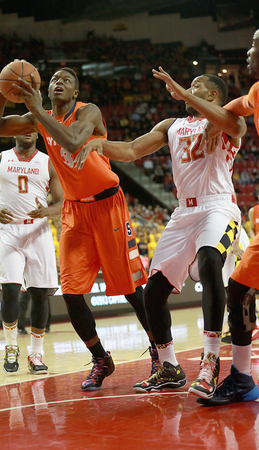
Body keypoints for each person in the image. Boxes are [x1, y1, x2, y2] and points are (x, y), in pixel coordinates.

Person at [0, 64, 157, 391]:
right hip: (75, 212)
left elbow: (75, 142)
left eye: (67, 81)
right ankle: (101, 358)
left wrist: (35, 111)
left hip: (108, 207)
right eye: (54, 80)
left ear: (75, 93)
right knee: (72, 294)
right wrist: (3, 95)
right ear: (46, 91)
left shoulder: (88, 111)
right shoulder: (39, 117)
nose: (59, 82)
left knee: (132, 290)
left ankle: (160, 352)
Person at [75, 66, 247, 399]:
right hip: (184, 211)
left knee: (211, 262)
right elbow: (131, 150)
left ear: (212, 95)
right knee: (153, 292)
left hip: (218, 207)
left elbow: (236, 122)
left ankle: (210, 362)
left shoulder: (226, 122)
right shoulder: (172, 126)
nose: (186, 90)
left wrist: (183, 91)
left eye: (195, 86)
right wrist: (96, 144)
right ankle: (168, 366)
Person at [195, 28, 259, 406]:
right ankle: (242, 379)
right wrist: (213, 120)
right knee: (238, 288)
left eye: (254, 45)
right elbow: (238, 105)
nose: (248, 51)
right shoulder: (256, 91)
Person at [0, 132, 63, 375]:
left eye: (31, 126)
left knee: (39, 293)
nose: (26, 130)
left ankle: (36, 353)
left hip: (38, 230)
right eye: (21, 125)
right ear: (13, 131)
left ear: (38, 133)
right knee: (10, 288)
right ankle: (11, 347)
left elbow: (61, 203)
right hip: (8, 229)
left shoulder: (48, 162)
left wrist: (47, 212)